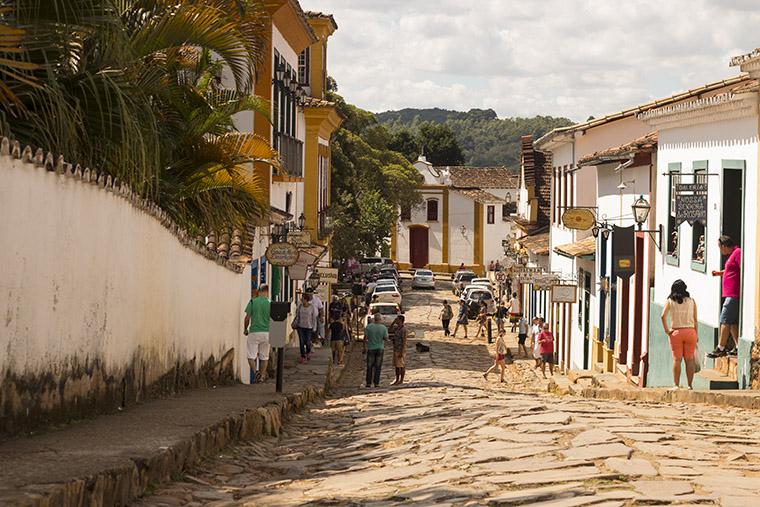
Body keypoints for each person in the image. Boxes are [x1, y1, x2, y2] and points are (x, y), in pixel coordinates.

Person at [661, 279, 698, 390]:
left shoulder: (670, 301)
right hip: (691, 332)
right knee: (689, 359)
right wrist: (696, 334)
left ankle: (676, 385)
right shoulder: (692, 301)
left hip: (676, 332)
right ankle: (690, 385)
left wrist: (667, 330)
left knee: (677, 360)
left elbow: (662, 316)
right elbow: (695, 319)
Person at [708, 235, 741, 358]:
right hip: (730, 293)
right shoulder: (733, 254)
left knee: (725, 319)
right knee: (731, 322)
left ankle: (720, 348)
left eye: (720, 248)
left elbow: (741, 269)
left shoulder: (738, 253)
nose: (720, 251)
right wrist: (719, 273)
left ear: (724, 246)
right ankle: (738, 346)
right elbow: (731, 270)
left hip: (733, 293)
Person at [243, 284, 271, 383]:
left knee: (251, 356)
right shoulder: (270, 303)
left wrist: (245, 329)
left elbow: (247, 318)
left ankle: (255, 372)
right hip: (267, 333)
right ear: (267, 292)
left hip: (254, 332)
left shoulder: (253, 302)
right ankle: (262, 377)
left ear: (259, 291)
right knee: (264, 356)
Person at [293, 293, 318, 363]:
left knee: (307, 341)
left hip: (309, 327)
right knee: (301, 341)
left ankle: (308, 352)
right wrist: (295, 323)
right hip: (300, 326)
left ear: (306, 300)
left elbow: (313, 318)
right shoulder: (300, 307)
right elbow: (297, 316)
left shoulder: (312, 307)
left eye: (303, 298)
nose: (301, 300)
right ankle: (303, 356)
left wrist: (314, 327)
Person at [364, 313, 388, 388]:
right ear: (380, 319)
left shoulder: (369, 327)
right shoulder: (383, 328)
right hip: (380, 348)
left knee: (369, 366)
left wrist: (364, 347)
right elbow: (386, 338)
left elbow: (365, 338)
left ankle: (368, 382)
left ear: (374, 319)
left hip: (371, 348)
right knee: (378, 366)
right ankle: (376, 383)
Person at [391, 315, 409, 385]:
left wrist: (402, 351)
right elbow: (389, 330)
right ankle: (397, 379)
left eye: (397, 319)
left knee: (401, 365)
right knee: (396, 366)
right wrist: (393, 323)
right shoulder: (397, 328)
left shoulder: (403, 330)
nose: (396, 320)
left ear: (401, 320)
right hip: (395, 348)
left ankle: (401, 380)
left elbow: (404, 341)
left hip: (400, 349)